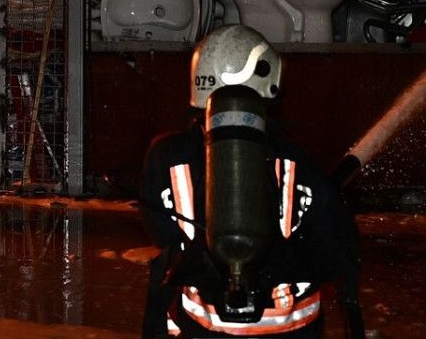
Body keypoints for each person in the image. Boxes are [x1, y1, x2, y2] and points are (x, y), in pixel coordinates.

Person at [140, 25, 363, 338]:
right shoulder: (294, 156)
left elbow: (161, 232)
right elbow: (337, 246)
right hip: (293, 330)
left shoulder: (166, 155)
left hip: (204, 328)